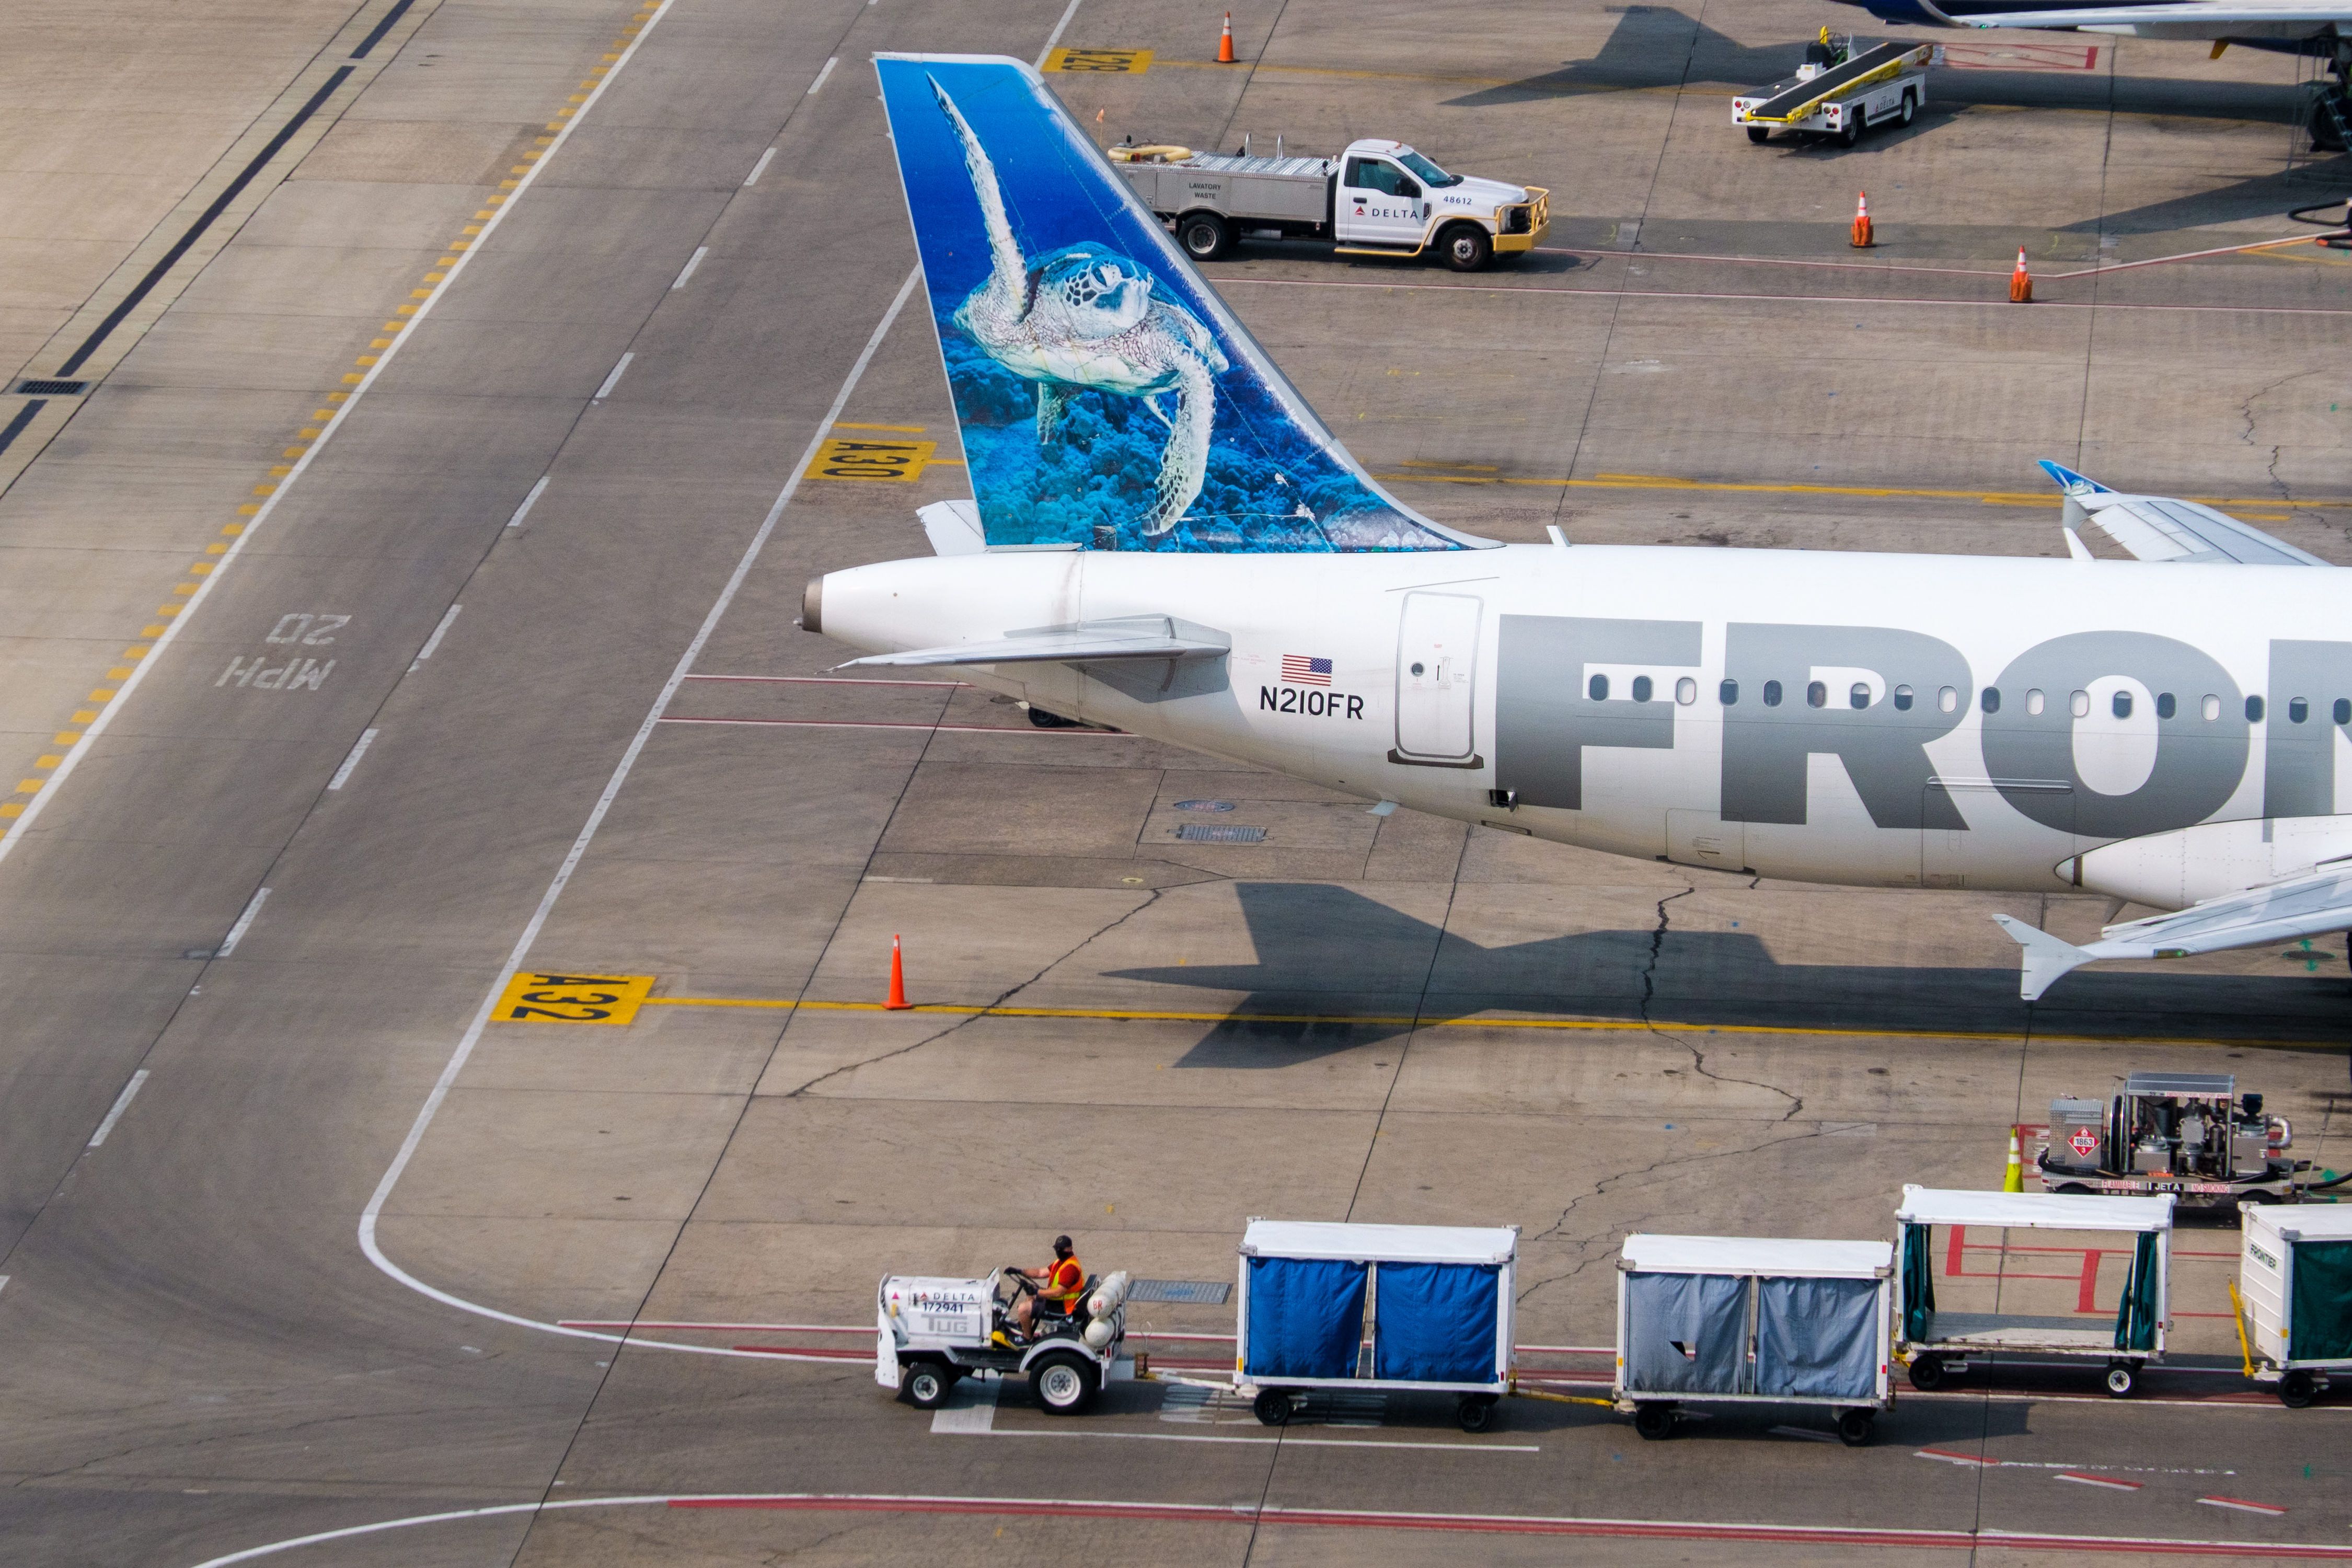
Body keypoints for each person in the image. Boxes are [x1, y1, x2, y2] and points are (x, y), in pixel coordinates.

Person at [1009, 1235, 1086, 1339]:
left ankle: (1027, 1338)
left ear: (1070, 1249)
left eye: (1062, 1249)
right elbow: (1040, 1273)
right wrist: (1020, 1271)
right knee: (1030, 1297)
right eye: (1057, 1249)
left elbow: (1059, 1292)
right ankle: (1024, 1326)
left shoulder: (1070, 1268)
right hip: (1057, 1301)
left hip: (1064, 1307)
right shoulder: (1061, 1262)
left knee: (1023, 1309)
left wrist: (1038, 1292)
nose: (1059, 1251)